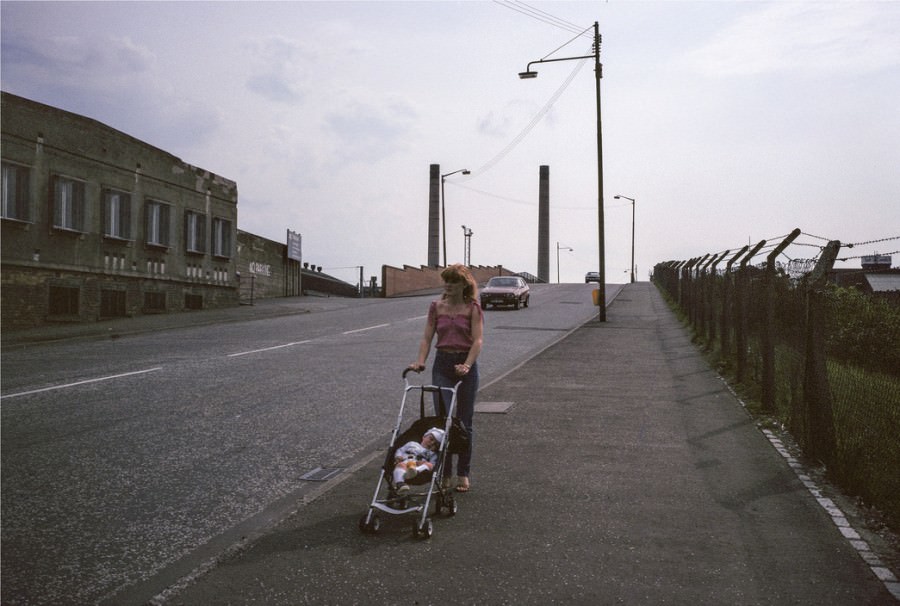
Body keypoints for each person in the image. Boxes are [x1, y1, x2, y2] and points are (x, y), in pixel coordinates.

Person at [408, 264, 484, 493]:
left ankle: (463, 472)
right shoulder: (436, 307)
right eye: (446, 281)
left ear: (464, 285)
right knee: (443, 422)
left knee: (464, 422)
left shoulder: (473, 308)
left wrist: (467, 365)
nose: (448, 285)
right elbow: (427, 337)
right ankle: (445, 473)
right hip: (442, 364)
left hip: (466, 366)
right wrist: (420, 360)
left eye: (453, 281)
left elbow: (478, 340)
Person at [392, 428, 445, 496]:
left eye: (435, 444)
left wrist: (424, 462)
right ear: (424, 437)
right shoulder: (412, 443)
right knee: (400, 465)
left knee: (430, 465)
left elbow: (433, 464)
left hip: (420, 468)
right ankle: (400, 484)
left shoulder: (432, 453)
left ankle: (414, 471)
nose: (431, 443)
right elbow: (400, 450)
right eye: (431, 439)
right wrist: (398, 456)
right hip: (406, 462)